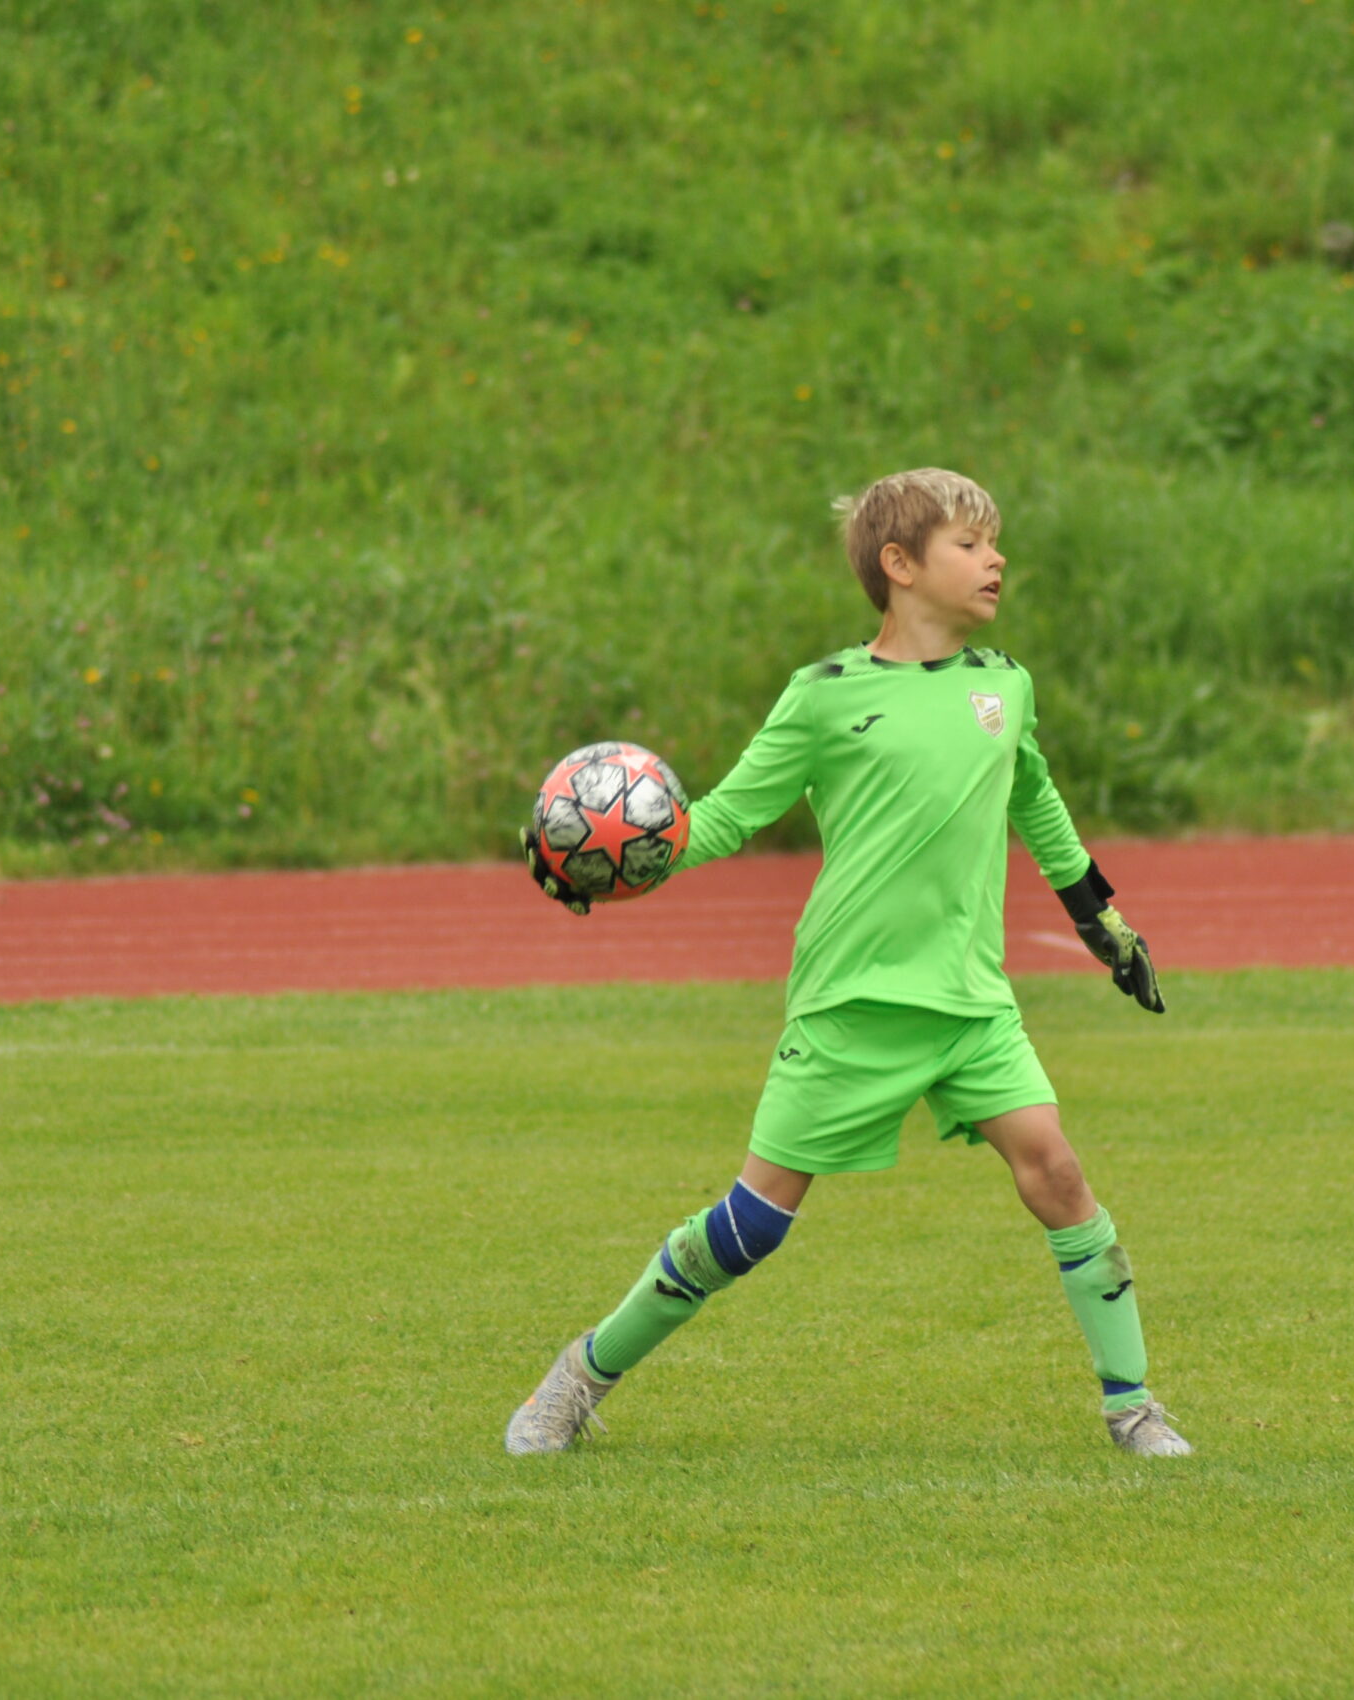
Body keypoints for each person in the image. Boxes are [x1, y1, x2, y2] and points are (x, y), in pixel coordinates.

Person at [508, 468, 1188, 1457]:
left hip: (969, 1001)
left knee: (1056, 1171)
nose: (995, 559)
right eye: (969, 543)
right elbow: (728, 816)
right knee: (751, 1225)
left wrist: (1104, 922)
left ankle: (1133, 1408)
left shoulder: (1005, 685)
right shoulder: (822, 696)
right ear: (899, 564)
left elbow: (1035, 801)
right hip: (851, 1002)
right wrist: (612, 857)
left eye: (994, 542)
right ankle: (578, 1376)